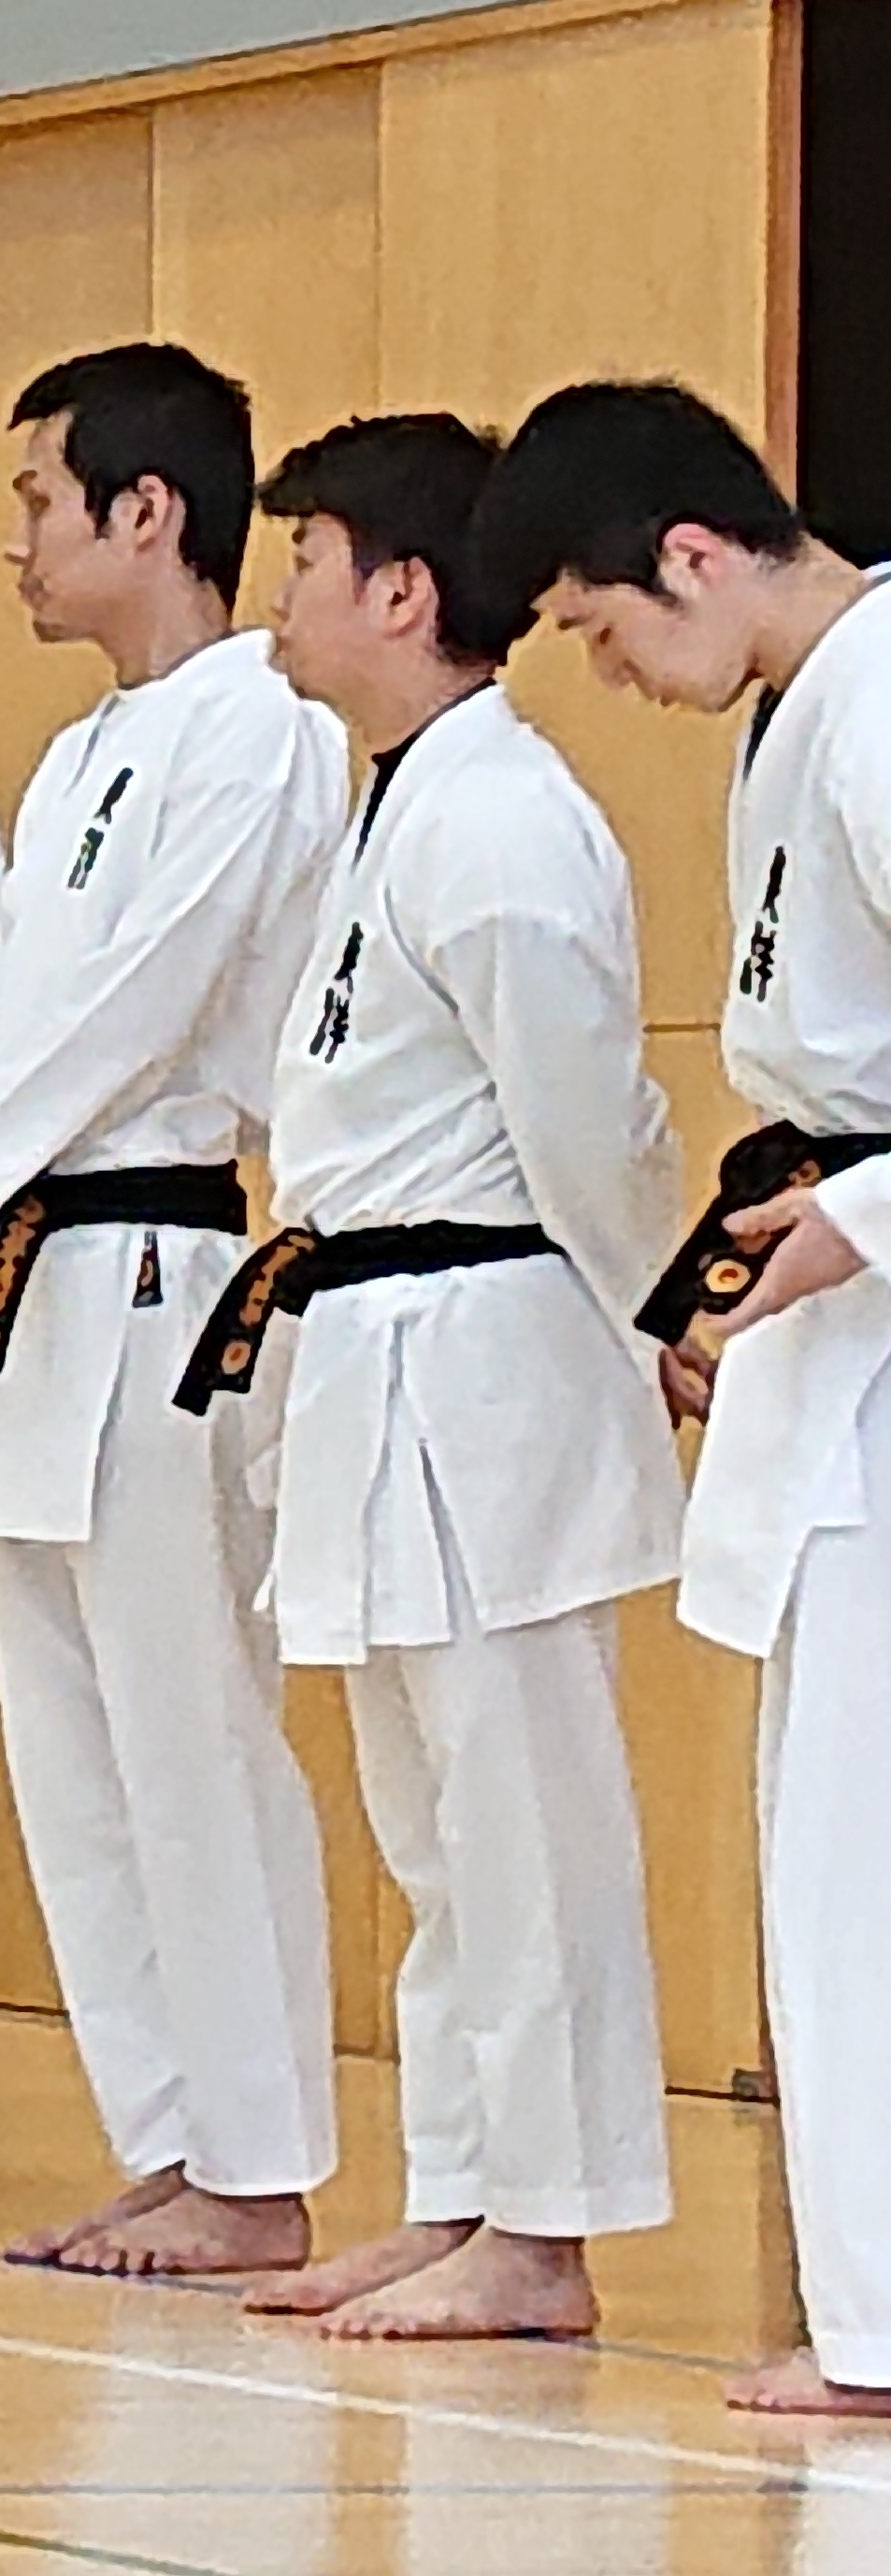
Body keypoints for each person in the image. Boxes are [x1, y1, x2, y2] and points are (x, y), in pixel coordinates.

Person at [0, 343, 349, 2279]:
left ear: (147, 512)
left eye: (38, 503)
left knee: (187, 1730)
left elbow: (145, 994)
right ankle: (167, 2132)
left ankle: (257, 2161)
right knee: (69, 1746)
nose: (15, 543)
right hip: (22, 1276)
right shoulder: (70, 759)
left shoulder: (260, 725)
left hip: (156, 1268)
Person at [190, 414, 679, 2337]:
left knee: (520, 1810)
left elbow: (583, 1124)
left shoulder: (499, 820)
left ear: (399, 591)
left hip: (488, 1349)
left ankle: (544, 2233)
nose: (276, 603)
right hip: (377, 1341)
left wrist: (664, 1316)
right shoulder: (393, 800)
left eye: (302, 564)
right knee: (430, 1817)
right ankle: (464, 2189)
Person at [471, 379, 891, 2414]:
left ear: (693, 555)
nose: (609, 675)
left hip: (872, 1301)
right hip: (837, 1300)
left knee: (849, 1843)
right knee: (825, 1831)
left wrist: (858, 1218)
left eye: (599, 625)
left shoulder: (880, 702)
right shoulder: (807, 705)